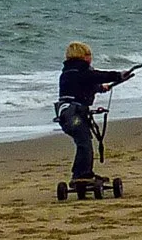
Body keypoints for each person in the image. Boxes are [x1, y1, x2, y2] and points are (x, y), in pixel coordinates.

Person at [57, 43, 135, 183]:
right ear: (82, 57)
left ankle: (80, 174)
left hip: (67, 114)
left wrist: (101, 88)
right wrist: (117, 75)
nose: (91, 58)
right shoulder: (80, 71)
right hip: (72, 115)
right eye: (89, 55)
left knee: (84, 141)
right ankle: (82, 175)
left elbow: (86, 84)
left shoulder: (69, 72)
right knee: (84, 142)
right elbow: (96, 76)